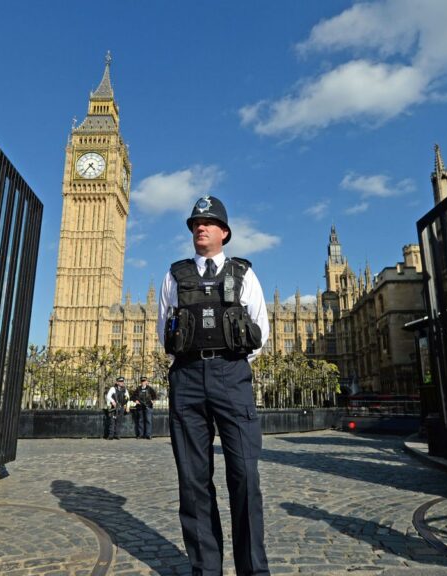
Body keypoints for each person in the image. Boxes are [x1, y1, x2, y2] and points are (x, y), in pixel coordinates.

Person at [158, 195, 271, 576]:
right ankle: (206, 569)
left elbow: (261, 332)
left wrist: (228, 361)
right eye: (194, 223)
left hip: (231, 377)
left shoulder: (243, 274)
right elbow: (165, 330)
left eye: (207, 222)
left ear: (224, 232)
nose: (199, 227)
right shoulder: (174, 275)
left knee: (245, 477)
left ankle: (253, 570)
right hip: (187, 380)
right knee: (192, 482)